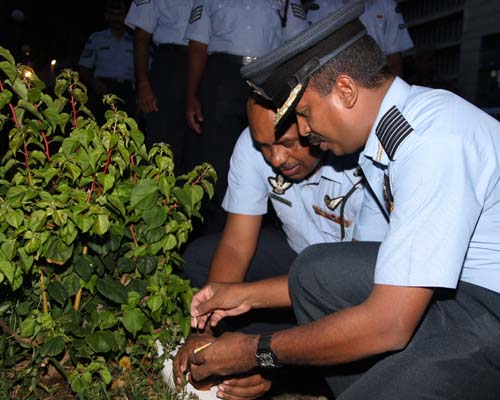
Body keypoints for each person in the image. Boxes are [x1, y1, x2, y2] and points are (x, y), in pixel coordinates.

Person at [177, 2, 500, 399]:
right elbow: (373, 280)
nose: (303, 131)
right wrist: (245, 295)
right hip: (467, 300)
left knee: (351, 308)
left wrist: (257, 352)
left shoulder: (432, 141)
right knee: (317, 271)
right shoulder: (388, 143)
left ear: (345, 91)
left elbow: (389, 322)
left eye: (304, 113)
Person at [174, 94, 385, 399]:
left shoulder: (364, 158)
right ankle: (245, 350)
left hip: (357, 285)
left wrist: (263, 359)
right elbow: (235, 245)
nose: (276, 159)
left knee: (359, 357)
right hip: (298, 260)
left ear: (312, 122)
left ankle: (274, 364)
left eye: (288, 143)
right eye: (264, 146)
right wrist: (203, 330)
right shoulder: (252, 146)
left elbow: (351, 287)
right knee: (201, 259)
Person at [183, 0, 310, 233]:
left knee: (275, 152)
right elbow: (198, 45)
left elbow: (298, 43)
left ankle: (270, 229)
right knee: (217, 161)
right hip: (223, 77)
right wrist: (191, 95)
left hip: (269, 78)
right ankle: (218, 232)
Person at [124, 0, 201, 176]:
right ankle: (159, 189)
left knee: (199, 143)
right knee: (163, 142)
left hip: (209, 64)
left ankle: (195, 191)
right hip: (170, 65)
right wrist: (143, 83)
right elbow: (141, 36)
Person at [302, 0, 413, 76]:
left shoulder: (386, 4)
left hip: (378, 79)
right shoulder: (320, 7)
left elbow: (394, 62)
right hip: (337, 81)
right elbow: (312, 62)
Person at [78, 0, 135, 120]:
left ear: (126, 16)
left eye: (119, 14)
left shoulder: (134, 42)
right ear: (106, 16)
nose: (116, 18)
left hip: (128, 91)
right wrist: (94, 83)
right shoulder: (96, 39)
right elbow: (83, 68)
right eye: (112, 14)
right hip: (103, 89)